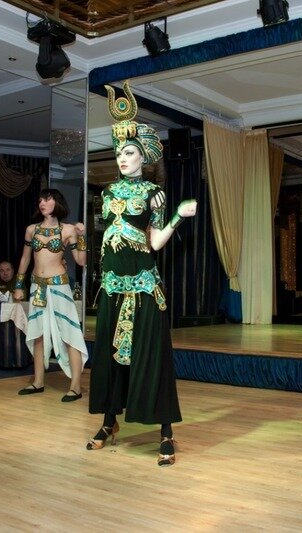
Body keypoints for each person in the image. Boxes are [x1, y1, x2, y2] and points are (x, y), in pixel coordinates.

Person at [87, 81, 197, 467]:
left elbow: (155, 243)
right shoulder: (106, 194)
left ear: (143, 156)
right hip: (112, 286)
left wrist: (178, 216)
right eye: (119, 152)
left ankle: (166, 430)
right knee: (109, 358)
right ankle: (109, 421)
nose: (123, 158)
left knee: (153, 358)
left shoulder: (153, 193)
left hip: (145, 287)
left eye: (130, 152)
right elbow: (107, 238)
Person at [13, 189, 88, 401]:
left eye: (47, 199)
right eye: (40, 200)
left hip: (59, 286)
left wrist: (82, 236)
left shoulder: (68, 229)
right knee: (37, 333)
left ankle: (75, 386)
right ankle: (38, 381)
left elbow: (81, 261)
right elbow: (25, 259)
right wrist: (19, 285)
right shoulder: (31, 229)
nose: (42, 203)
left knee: (70, 332)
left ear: (57, 202)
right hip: (37, 286)